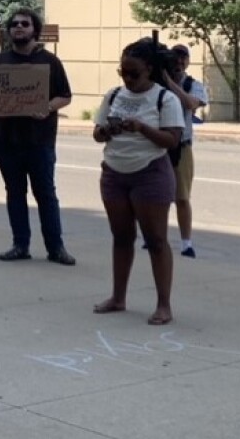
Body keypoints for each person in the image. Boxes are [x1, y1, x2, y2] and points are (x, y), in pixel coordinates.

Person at [92, 38, 184, 325]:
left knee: (156, 240)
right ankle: (118, 298)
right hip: (114, 172)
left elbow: (172, 140)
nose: (128, 79)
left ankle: (163, 305)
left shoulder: (164, 99)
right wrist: (108, 130)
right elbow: (96, 134)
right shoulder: (114, 95)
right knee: (121, 237)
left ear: (150, 70)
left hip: (150, 174)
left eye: (135, 74)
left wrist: (142, 128)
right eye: (123, 73)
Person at [0, 7, 75, 265]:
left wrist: (46, 107)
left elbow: (65, 96)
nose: (19, 28)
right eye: (14, 24)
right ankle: (20, 244)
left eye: (24, 24)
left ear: (35, 29)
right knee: (14, 193)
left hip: (39, 141)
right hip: (6, 141)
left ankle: (56, 248)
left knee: (45, 194)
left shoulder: (50, 62)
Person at [162, 44, 208, 258]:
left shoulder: (193, 85)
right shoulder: (156, 83)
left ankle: (186, 242)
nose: (179, 63)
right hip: (160, 144)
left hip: (182, 146)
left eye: (183, 59)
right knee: (158, 195)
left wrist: (170, 83)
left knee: (182, 197)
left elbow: (191, 103)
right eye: (175, 59)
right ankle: (156, 235)